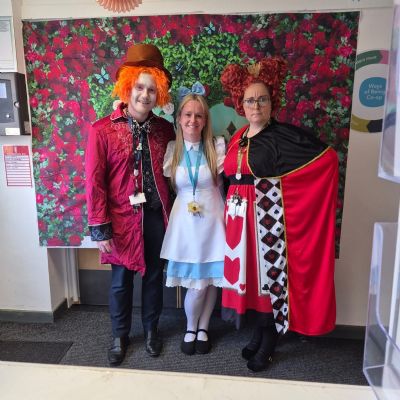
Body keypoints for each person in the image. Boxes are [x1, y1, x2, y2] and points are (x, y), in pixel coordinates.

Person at [220, 57, 338, 372]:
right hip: (239, 222)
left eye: (262, 99)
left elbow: (326, 161)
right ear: (241, 104)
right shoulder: (239, 136)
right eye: (250, 100)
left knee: (268, 279)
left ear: (272, 102)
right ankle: (259, 333)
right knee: (250, 280)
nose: (256, 105)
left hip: (266, 221)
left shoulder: (283, 136)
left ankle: (269, 340)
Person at [85, 43, 175, 366]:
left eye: (151, 89)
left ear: (158, 93)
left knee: (153, 277)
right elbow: (94, 182)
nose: (144, 95)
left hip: (155, 217)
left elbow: (173, 174)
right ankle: (119, 335)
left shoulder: (165, 130)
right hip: (121, 220)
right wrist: (101, 227)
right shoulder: (102, 130)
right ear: (128, 87)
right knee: (121, 282)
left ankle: (151, 331)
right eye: (139, 87)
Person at [160, 93, 225, 355]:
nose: (193, 120)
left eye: (199, 115)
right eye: (188, 114)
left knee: (208, 281)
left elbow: (221, 186)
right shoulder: (172, 150)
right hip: (185, 223)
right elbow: (171, 188)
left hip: (213, 220)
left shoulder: (216, 146)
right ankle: (190, 327)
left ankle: (203, 328)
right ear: (179, 118)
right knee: (196, 285)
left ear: (205, 120)